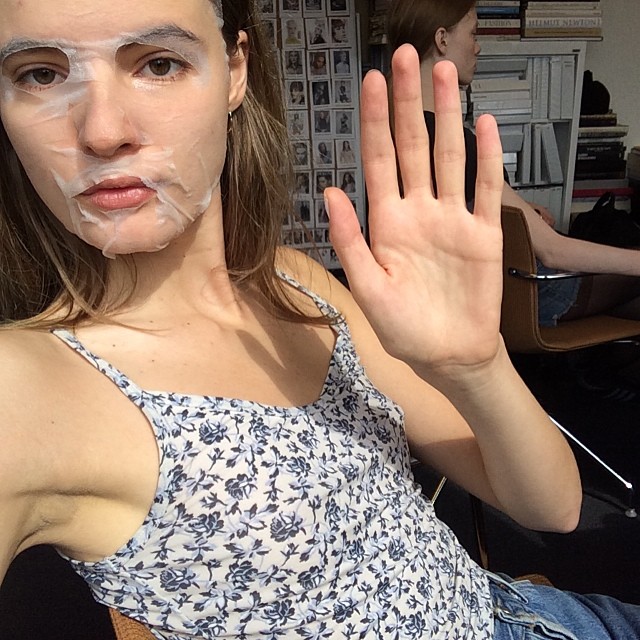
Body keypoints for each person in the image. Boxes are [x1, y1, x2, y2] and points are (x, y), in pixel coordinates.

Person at [1, 1, 637, 639]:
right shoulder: (27, 390)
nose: (103, 131)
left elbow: (553, 507)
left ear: (235, 72)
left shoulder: (295, 282)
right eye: (40, 74)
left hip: (534, 616)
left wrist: (476, 366)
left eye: (159, 64)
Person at [387, 0, 640, 331]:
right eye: (473, 33)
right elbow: (554, 252)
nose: (478, 47)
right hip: (533, 291)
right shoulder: (453, 144)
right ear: (442, 39)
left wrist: (519, 211)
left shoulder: (399, 131)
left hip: (475, 299)